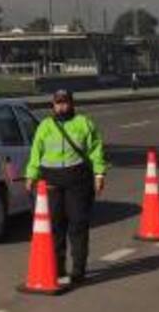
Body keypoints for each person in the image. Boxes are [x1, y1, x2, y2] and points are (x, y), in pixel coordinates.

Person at [25, 89, 108, 284]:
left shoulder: (84, 124)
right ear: (53, 105)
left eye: (65, 103)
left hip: (78, 180)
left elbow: (96, 150)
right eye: (58, 103)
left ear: (72, 104)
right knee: (55, 226)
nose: (61, 106)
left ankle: (78, 269)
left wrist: (99, 174)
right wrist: (31, 175)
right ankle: (58, 267)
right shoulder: (45, 126)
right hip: (51, 180)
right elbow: (36, 152)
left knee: (78, 224)